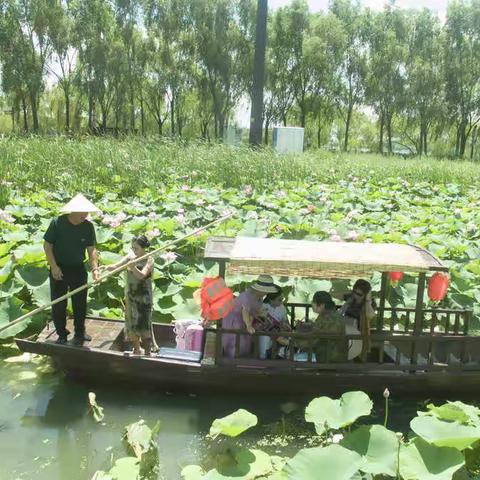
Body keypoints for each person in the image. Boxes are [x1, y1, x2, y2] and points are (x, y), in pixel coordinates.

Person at [43, 194, 100, 346]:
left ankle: (80, 332)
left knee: (80, 303)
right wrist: (54, 267)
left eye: (87, 212)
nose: (85, 215)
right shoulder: (57, 223)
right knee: (59, 303)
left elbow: (91, 249)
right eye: (83, 212)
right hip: (59, 267)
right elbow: (47, 246)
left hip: (78, 268)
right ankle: (61, 333)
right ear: (73, 211)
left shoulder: (88, 226)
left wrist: (95, 268)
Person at [102, 235, 154, 356]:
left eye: (136, 248)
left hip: (143, 297)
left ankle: (148, 352)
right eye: (132, 248)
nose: (134, 250)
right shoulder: (130, 257)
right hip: (131, 295)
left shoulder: (149, 259)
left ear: (143, 248)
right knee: (131, 323)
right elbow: (116, 266)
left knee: (144, 323)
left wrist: (133, 267)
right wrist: (106, 268)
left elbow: (142, 275)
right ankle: (136, 349)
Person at [222, 275, 277, 358]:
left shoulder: (260, 298)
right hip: (234, 319)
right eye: (265, 291)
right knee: (235, 341)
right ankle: (231, 360)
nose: (266, 293)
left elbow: (254, 311)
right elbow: (245, 311)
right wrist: (248, 325)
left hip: (245, 320)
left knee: (245, 342)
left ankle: (241, 360)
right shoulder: (247, 296)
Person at [334, 279, 376, 359]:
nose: (356, 296)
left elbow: (370, 315)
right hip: (345, 328)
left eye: (359, 294)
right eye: (355, 293)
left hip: (359, 331)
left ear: (365, 294)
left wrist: (367, 300)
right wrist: (350, 293)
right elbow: (334, 294)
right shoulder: (351, 298)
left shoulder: (369, 303)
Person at [255, 285, 291, 359]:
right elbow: (262, 325)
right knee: (265, 337)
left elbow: (286, 322)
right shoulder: (262, 307)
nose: (281, 302)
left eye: (282, 299)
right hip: (267, 332)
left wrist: (286, 326)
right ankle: (264, 359)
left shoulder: (281, 307)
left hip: (278, 332)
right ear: (271, 300)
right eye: (279, 300)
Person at [310, 291, 346, 362]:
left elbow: (316, 337)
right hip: (332, 356)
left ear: (322, 305)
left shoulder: (329, 318)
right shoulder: (328, 315)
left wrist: (290, 342)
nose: (312, 304)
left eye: (313, 302)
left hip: (331, 358)